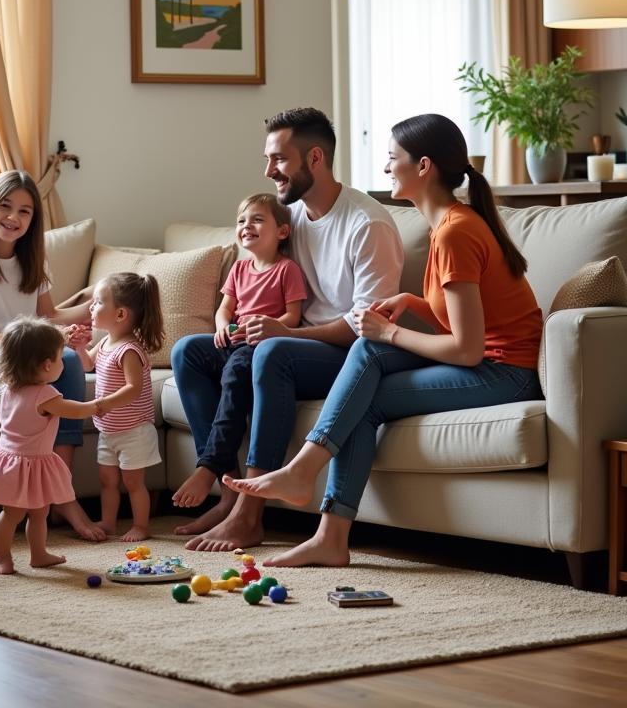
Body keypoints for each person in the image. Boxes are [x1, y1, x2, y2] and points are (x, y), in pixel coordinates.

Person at [222, 113, 544, 568]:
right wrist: (412, 301)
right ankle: (330, 536)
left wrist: (391, 331)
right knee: (366, 388)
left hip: (508, 374)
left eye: (393, 159)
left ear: (424, 166)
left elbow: (469, 349)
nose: (387, 168)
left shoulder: (454, 231)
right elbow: (466, 318)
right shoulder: (449, 224)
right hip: (488, 363)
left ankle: (304, 475)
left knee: (371, 348)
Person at [176, 107, 404, 552]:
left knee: (270, 353)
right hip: (283, 344)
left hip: (344, 354)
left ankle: (248, 515)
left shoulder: (367, 224)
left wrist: (282, 335)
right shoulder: (290, 217)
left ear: (314, 158)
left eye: (278, 159)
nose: (268, 171)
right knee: (190, 352)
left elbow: (367, 329)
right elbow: (251, 263)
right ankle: (226, 488)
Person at [0, 170, 103, 540]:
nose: (13, 217)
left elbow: (50, 317)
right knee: (24, 373)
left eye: (25, 211)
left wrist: (95, 306)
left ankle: (61, 492)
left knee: (71, 361)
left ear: (33, 220)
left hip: (15, 353)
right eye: (6, 206)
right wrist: (43, 338)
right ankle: (21, 489)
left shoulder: (34, 263)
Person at [171, 193, 307, 511]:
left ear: (282, 231)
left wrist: (267, 324)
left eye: (258, 220)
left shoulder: (287, 270)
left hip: (260, 347)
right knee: (185, 350)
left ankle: (209, 467)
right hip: (232, 341)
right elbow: (225, 309)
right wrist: (220, 326)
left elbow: (293, 316)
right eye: (241, 221)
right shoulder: (239, 268)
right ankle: (226, 478)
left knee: (235, 373)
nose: (247, 226)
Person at [0, 317, 105, 575]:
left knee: (16, 514)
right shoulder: (45, 395)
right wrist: (98, 405)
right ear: (47, 365)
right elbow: (75, 411)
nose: (61, 363)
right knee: (32, 514)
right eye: (59, 358)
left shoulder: (10, 388)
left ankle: (22, 556)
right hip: (29, 463)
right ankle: (21, 556)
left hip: (12, 461)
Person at [75, 272, 165, 541]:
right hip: (109, 430)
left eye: (98, 302)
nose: (92, 307)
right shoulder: (105, 342)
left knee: (133, 483)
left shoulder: (129, 350)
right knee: (107, 481)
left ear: (120, 314)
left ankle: (141, 526)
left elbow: (133, 388)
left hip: (134, 431)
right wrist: (80, 347)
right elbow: (87, 365)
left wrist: (102, 404)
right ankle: (108, 522)